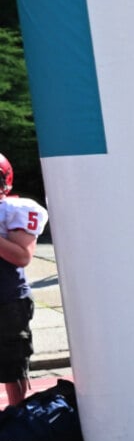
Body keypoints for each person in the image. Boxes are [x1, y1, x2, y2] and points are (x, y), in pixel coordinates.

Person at [0, 154, 49, 407]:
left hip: (7, 299)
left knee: (12, 363)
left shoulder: (14, 210)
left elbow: (21, 256)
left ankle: (16, 417)